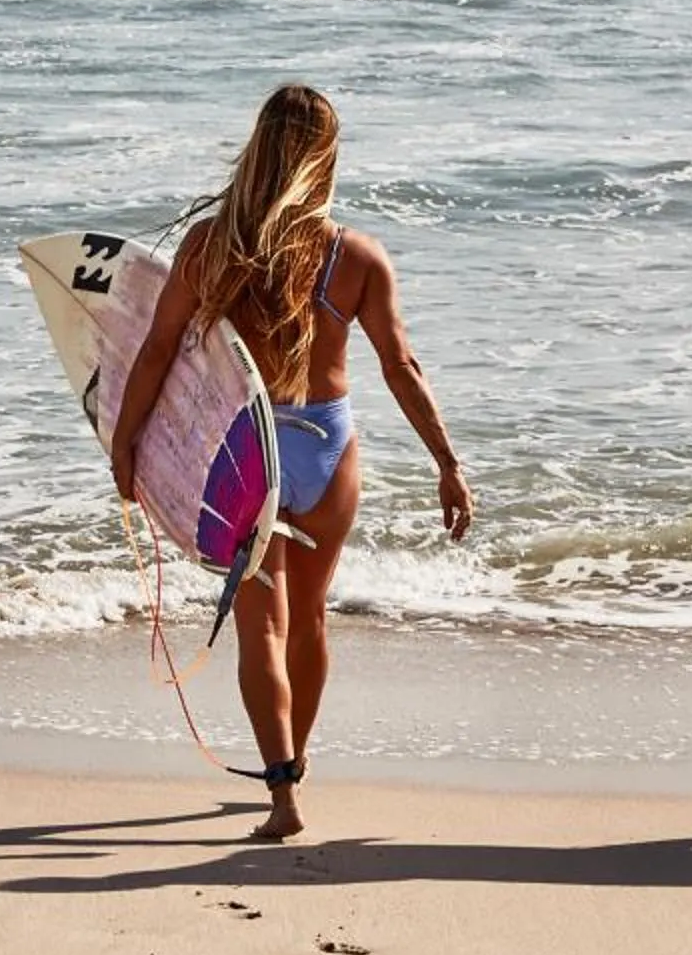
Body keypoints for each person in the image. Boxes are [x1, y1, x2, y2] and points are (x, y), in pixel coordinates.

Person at [110, 83, 475, 844]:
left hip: (250, 456)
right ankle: (294, 764)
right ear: (325, 159)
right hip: (329, 450)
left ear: (259, 147)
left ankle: (281, 793)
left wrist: (127, 439)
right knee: (309, 622)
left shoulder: (213, 246)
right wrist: (447, 462)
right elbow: (402, 366)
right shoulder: (357, 258)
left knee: (263, 630)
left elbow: (154, 352)